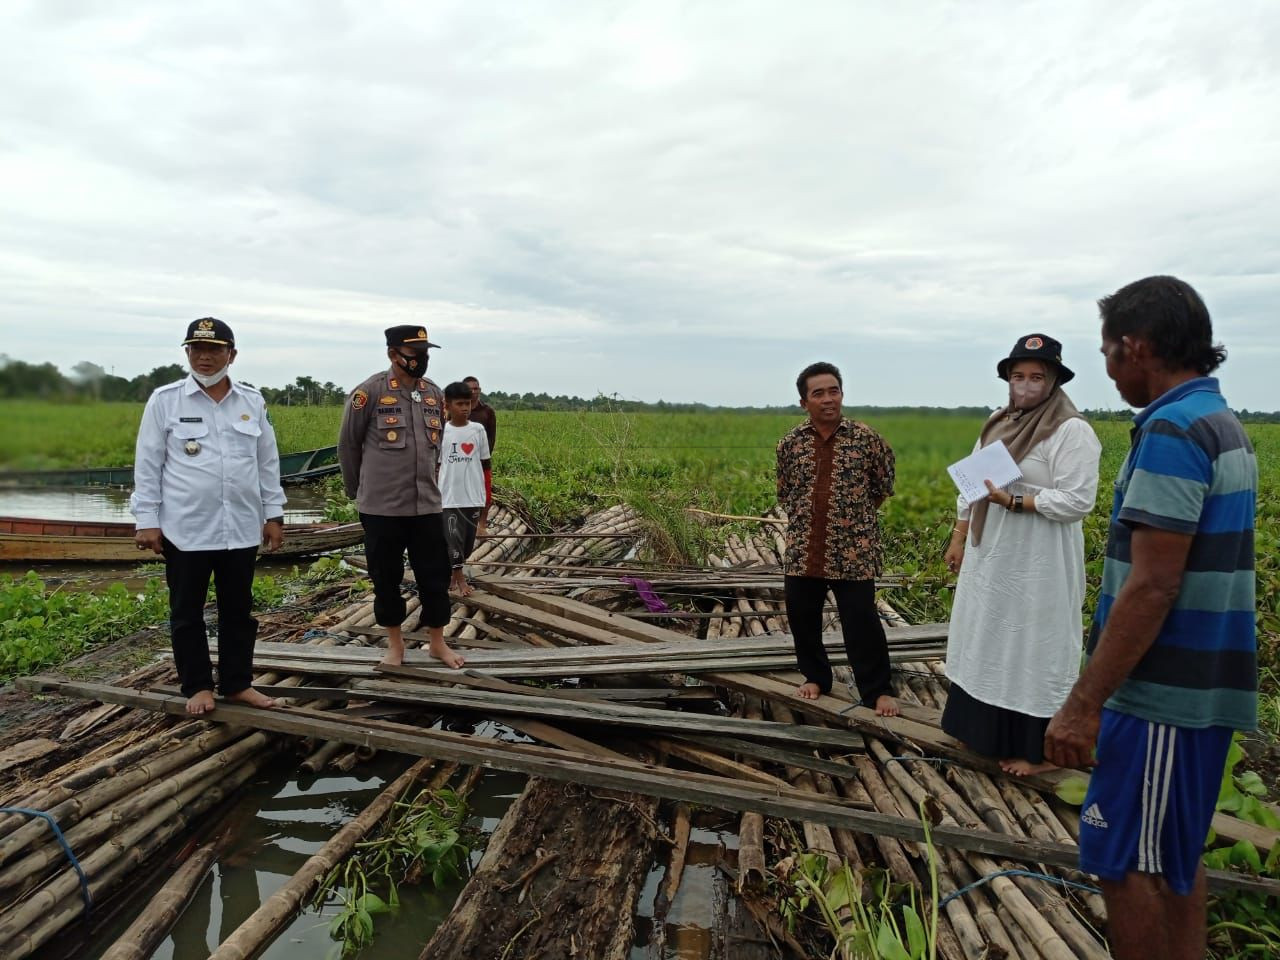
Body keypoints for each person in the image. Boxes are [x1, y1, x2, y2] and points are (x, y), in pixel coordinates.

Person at [1045, 277, 1257, 960]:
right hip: (1194, 688)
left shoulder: (1171, 428)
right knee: (1174, 857)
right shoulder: (1218, 421)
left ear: (1136, 347)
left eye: (1109, 354)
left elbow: (1153, 586)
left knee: (1121, 861)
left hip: (1162, 692)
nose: (1109, 370)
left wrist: (1084, 703)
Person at [941, 334, 1102, 776]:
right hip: (992, 554)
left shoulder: (1071, 430)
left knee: (1035, 643)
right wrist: (958, 536)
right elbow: (974, 483)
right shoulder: (998, 422)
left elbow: (1077, 501)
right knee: (987, 634)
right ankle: (979, 731)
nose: (1026, 385)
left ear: (1053, 380)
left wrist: (1016, 502)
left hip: (1040, 562)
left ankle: (1042, 752)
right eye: (1018, 376)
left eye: (1036, 376)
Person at [130, 317, 286, 716]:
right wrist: (146, 519)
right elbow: (148, 464)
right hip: (187, 529)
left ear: (231, 355)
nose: (204, 357)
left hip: (240, 528)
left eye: (214, 349)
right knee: (187, 612)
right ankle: (198, 685)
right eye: (196, 349)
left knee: (239, 611)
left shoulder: (252, 402)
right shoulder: (165, 400)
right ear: (187, 353)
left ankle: (237, 684)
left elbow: (267, 462)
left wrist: (274, 514)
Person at [776, 362, 899, 717]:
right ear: (804, 402)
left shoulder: (867, 439)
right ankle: (816, 677)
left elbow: (882, 488)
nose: (828, 399)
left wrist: (849, 519)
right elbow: (786, 493)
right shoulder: (790, 445)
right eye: (819, 393)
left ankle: (877, 690)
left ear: (842, 394)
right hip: (804, 547)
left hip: (854, 550)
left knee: (861, 620)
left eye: (834, 391)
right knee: (803, 616)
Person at [338, 325, 465, 669]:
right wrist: (357, 491)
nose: (421, 361)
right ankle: (395, 646)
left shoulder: (433, 394)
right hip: (382, 508)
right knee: (386, 578)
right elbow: (349, 446)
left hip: (426, 504)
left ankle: (438, 643)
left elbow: (434, 448)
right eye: (414, 355)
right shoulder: (369, 393)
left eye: (425, 354)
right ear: (394, 355)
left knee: (434, 576)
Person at [440, 381, 492, 597]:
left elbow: (486, 463)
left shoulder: (478, 430)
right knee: (453, 540)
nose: (465, 408)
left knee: (467, 545)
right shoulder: (441, 432)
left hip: (472, 495)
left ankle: (454, 574)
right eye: (460, 404)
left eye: (468, 403)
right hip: (449, 496)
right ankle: (460, 580)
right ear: (448, 405)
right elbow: (436, 464)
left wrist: (486, 494)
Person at [464, 376, 497, 453]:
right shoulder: (455, 411)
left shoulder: (488, 412)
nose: (472, 392)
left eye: (475, 389)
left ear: (479, 390)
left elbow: (491, 438)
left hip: (479, 457)